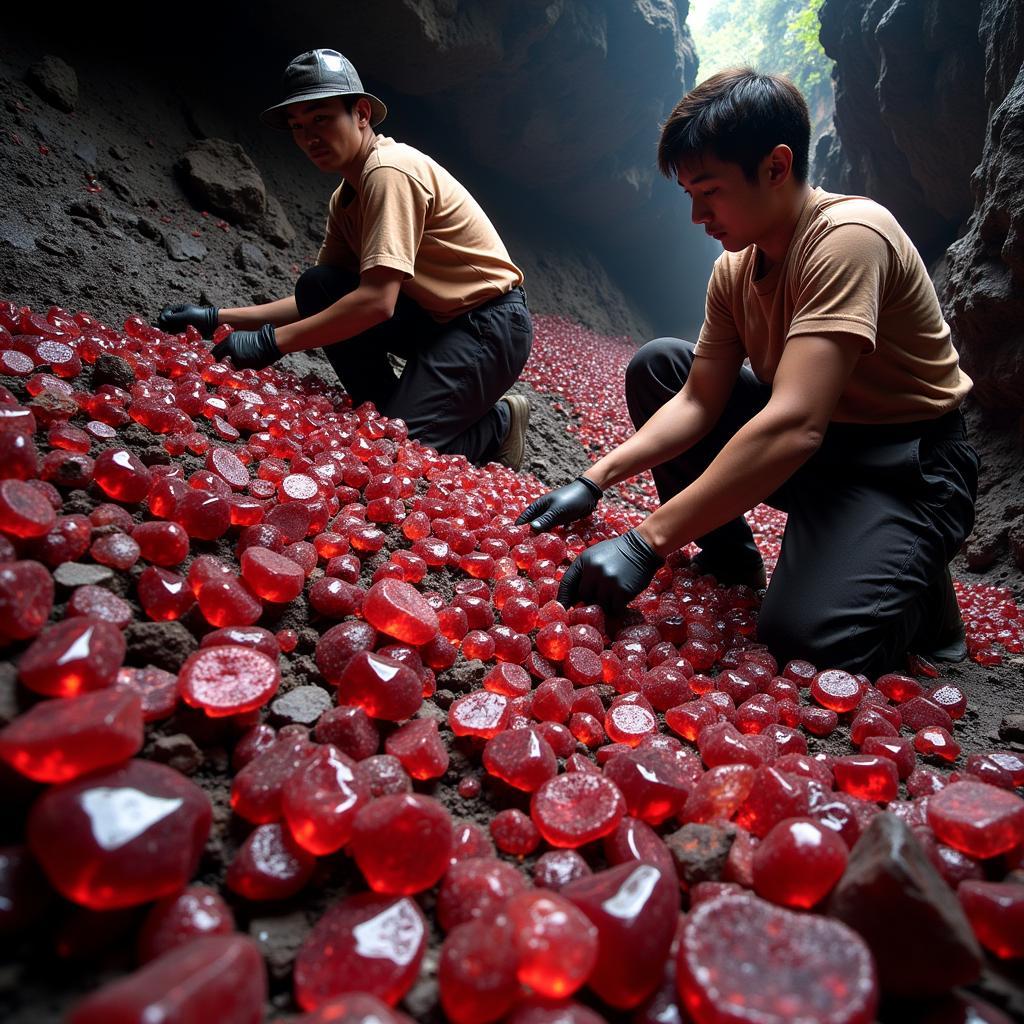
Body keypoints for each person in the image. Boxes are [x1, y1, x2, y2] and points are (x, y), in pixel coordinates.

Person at [517, 68, 979, 678]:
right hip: (819, 448)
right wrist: (595, 479)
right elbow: (697, 400)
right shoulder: (735, 270)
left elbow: (792, 426)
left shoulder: (849, 239)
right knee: (660, 366)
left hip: (907, 465)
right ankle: (732, 559)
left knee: (808, 641)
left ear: (777, 166)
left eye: (710, 191)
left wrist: (646, 541)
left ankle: (917, 585)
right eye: (689, 195)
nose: (697, 216)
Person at [158, 49, 533, 470]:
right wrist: (218, 317)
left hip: (489, 326)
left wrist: (271, 342)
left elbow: (376, 303)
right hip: (437, 323)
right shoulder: (347, 196)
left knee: (396, 454)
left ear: (361, 114)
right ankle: (395, 409)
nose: (309, 137)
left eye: (321, 118)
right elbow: (322, 298)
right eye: (298, 127)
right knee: (320, 283)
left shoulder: (390, 172)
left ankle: (499, 422)